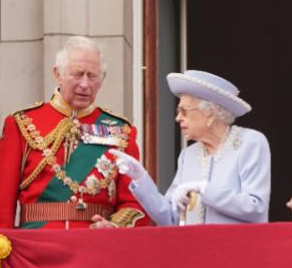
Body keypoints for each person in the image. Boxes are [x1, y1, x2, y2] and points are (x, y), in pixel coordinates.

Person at [0, 36, 148, 229]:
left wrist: (113, 226)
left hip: (95, 249)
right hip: (37, 247)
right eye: (77, 74)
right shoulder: (21, 123)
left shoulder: (121, 131)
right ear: (58, 74)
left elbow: (135, 204)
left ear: (102, 80)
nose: (84, 84)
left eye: (92, 76)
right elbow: (1, 203)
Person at [109, 70, 271, 226]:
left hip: (238, 251)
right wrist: (141, 179)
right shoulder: (188, 155)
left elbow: (255, 207)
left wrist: (204, 189)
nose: (178, 118)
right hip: (195, 251)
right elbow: (170, 218)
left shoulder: (250, 142)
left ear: (211, 114)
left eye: (184, 111)